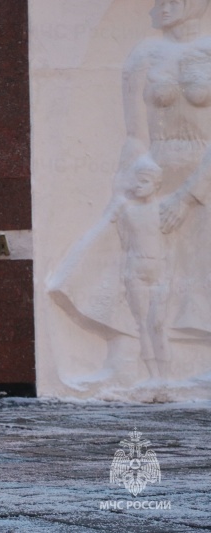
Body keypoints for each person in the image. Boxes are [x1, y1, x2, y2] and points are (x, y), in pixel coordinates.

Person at [49, 0, 211, 380]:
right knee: (118, 259)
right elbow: (135, 134)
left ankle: (198, 362)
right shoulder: (145, 54)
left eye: (173, 0)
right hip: (154, 175)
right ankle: (125, 355)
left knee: (197, 270)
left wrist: (189, 195)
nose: (161, 7)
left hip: (202, 178)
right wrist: (127, 187)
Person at [113, 154, 172, 379]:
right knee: (142, 325)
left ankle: (166, 376)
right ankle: (153, 377)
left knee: (158, 323)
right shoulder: (127, 211)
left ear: (156, 185)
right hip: (135, 271)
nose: (138, 185)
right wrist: (121, 279)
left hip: (159, 271)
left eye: (144, 181)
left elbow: (171, 248)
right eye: (137, 180)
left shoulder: (163, 209)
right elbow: (124, 245)